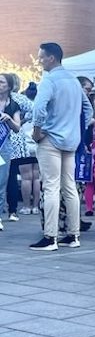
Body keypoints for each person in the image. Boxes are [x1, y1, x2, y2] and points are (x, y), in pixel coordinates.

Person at [30, 42, 93, 251]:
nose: (39, 61)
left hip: (51, 139)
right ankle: (73, 235)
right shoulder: (74, 81)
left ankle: (50, 236)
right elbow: (88, 109)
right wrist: (77, 129)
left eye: (41, 57)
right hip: (71, 140)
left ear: (51, 58)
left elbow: (38, 107)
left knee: (50, 188)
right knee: (70, 188)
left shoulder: (49, 80)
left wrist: (38, 131)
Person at [0, 74, 23, 229]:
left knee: (1, 182)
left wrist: (8, 118)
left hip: (4, 148)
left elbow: (17, 128)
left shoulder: (13, 105)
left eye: (1, 82)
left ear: (8, 86)